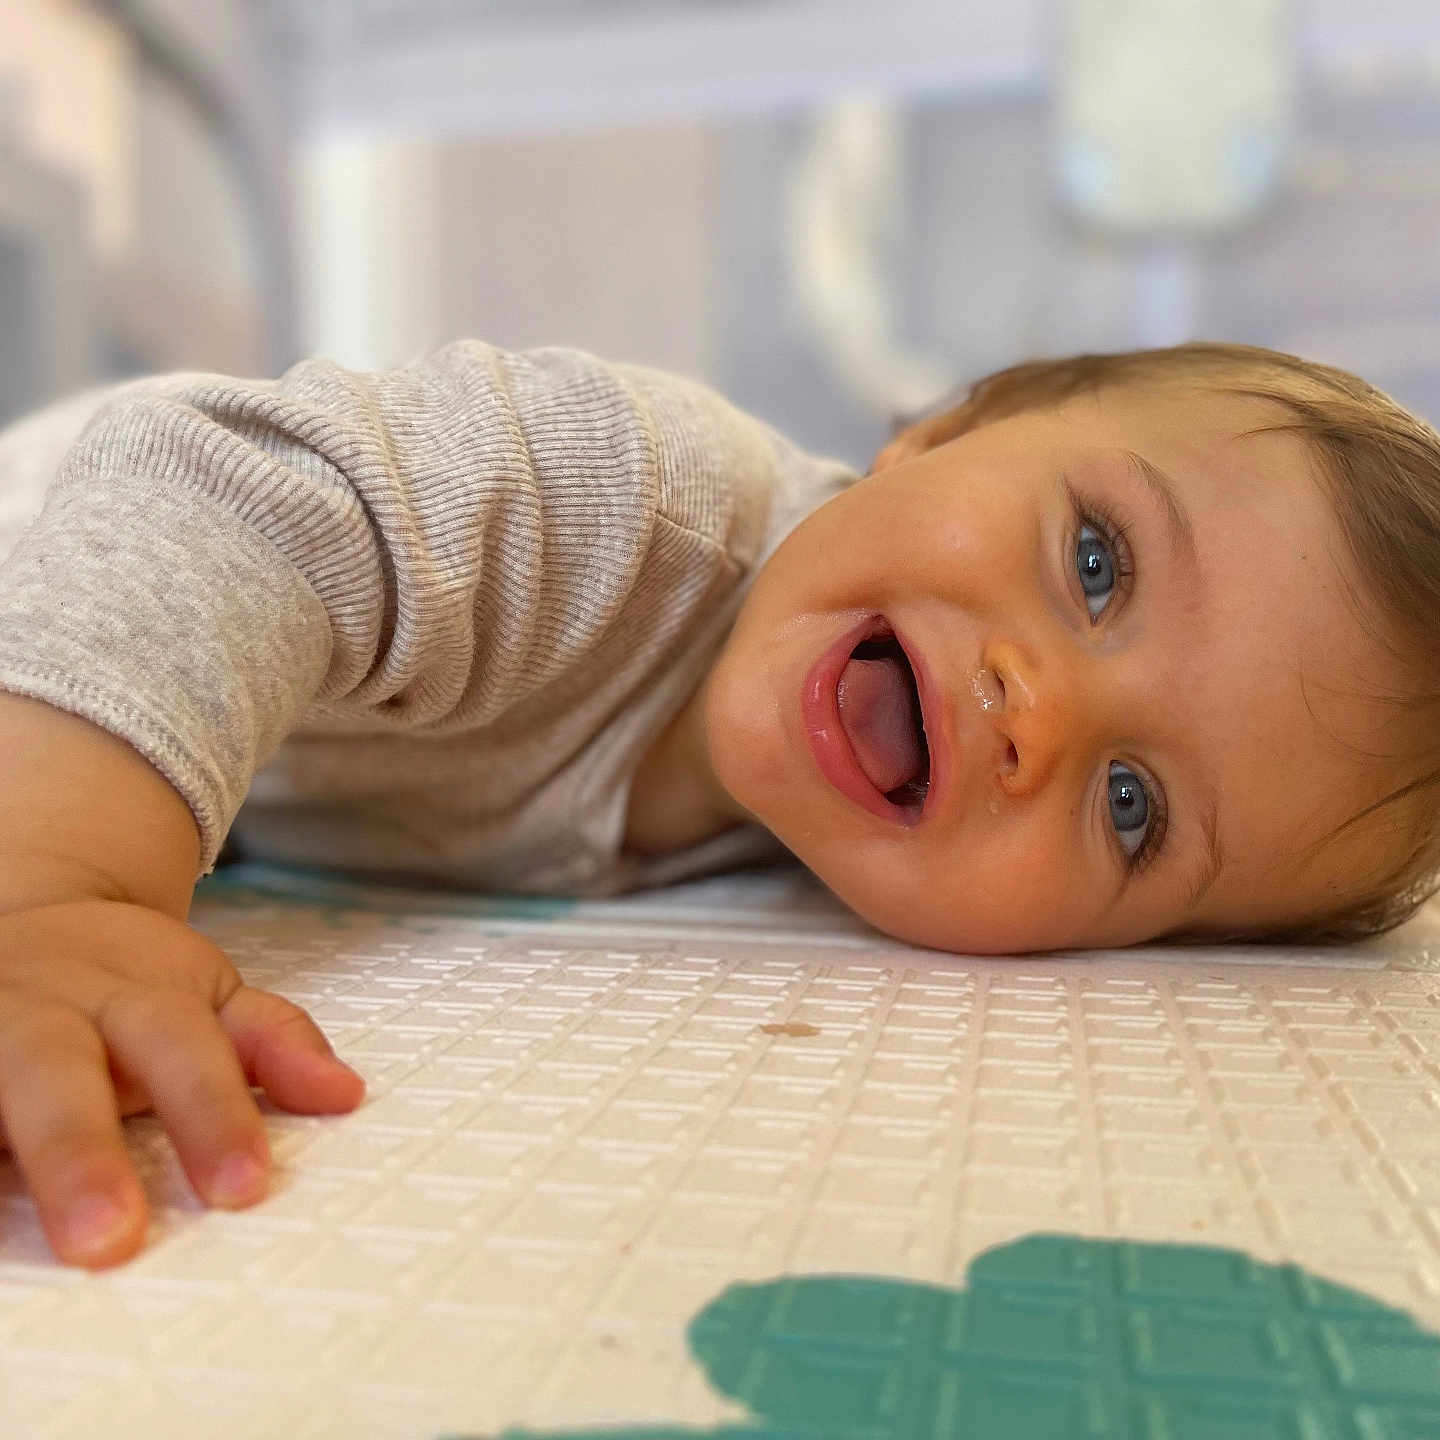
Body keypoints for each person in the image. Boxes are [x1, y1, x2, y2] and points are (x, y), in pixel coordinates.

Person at [0, 338, 1435, 1269]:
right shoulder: (613, 497)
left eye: (1131, 809)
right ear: (945, 428)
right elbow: (231, 496)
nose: (1039, 710)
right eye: (1099, 562)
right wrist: (62, 886)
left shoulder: (811, 853)